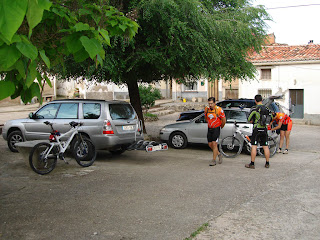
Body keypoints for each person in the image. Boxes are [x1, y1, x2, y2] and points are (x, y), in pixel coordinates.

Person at [245, 94, 271, 169]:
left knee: (254, 146)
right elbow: (271, 117)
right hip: (264, 129)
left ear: (255, 101)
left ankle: (252, 164)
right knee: (265, 146)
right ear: (262, 100)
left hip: (256, 129)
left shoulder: (254, 109)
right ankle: (267, 163)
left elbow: (249, 118)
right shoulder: (266, 108)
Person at [205, 97, 226, 166]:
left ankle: (213, 160)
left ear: (214, 103)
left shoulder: (219, 110)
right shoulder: (206, 109)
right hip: (209, 128)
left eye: (211, 103)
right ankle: (219, 154)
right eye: (209, 103)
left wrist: (221, 126)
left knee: (214, 144)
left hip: (216, 128)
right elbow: (206, 117)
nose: (210, 105)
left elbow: (224, 120)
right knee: (210, 144)